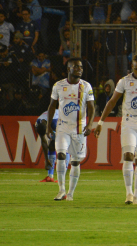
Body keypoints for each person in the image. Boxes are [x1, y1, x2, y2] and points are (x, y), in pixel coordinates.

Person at [94, 54, 137, 205]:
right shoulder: (124, 81)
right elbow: (112, 102)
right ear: (132, 66)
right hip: (129, 124)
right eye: (136, 68)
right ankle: (129, 193)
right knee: (129, 156)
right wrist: (100, 122)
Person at [47, 57, 95, 201]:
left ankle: (70, 193)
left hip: (79, 128)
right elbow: (51, 107)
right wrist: (49, 126)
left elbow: (92, 107)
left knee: (75, 161)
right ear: (69, 69)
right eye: (76, 67)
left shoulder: (86, 86)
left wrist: (90, 124)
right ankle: (61, 190)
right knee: (61, 155)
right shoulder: (58, 86)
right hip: (63, 127)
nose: (79, 69)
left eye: (80, 67)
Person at [35, 109, 70, 182]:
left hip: (64, 121)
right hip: (52, 121)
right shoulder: (38, 123)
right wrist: (46, 159)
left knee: (63, 148)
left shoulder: (55, 123)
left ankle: (62, 177)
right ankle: (50, 176)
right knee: (51, 147)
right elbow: (43, 141)